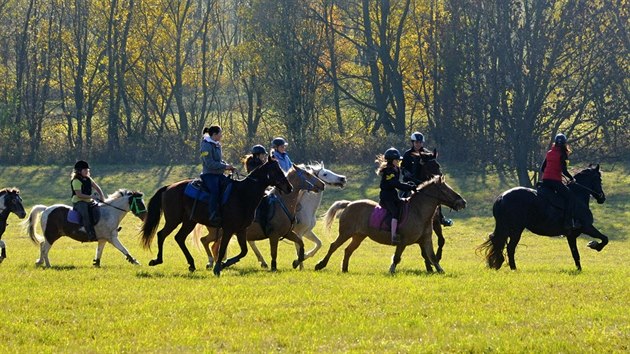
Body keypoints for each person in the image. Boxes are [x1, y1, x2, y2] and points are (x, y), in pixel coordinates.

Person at [401, 131, 453, 227]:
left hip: (424, 183)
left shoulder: (427, 153)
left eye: (420, 142)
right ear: (412, 142)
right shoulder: (407, 154)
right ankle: (400, 216)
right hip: (410, 181)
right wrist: (406, 173)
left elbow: (432, 167)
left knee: (436, 196)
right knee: (402, 195)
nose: (418, 144)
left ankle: (441, 218)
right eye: (416, 142)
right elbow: (403, 168)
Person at [377, 148, 415, 245]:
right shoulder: (389, 170)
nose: (398, 162)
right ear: (391, 160)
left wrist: (408, 184)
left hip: (393, 195)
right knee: (395, 212)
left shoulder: (396, 169)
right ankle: (393, 236)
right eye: (397, 160)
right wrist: (408, 187)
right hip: (386, 196)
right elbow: (395, 183)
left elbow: (398, 183)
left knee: (403, 206)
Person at [540, 133, 578, 229]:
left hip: (545, 181)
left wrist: (549, 173)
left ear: (555, 143)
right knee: (570, 197)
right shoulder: (562, 154)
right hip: (555, 181)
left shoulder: (549, 153)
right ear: (565, 143)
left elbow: (542, 168)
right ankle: (568, 222)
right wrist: (571, 178)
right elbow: (564, 170)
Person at [200, 126, 235, 227]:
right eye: (220, 133)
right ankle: (212, 214)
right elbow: (209, 163)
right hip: (209, 175)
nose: (221, 135)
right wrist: (225, 167)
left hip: (218, 174)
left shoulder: (217, 145)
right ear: (214, 135)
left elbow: (219, 161)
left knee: (231, 186)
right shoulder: (205, 145)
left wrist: (229, 166)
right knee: (215, 191)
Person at [71, 160, 105, 241]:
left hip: (88, 200)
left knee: (100, 210)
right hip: (79, 202)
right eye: (85, 170)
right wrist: (91, 196)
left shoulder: (88, 179)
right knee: (85, 213)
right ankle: (90, 234)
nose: (87, 171)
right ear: (79, 171)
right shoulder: (76, 181)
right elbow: (79, 195)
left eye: (87, 170)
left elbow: (97, 188)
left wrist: (102, 197)